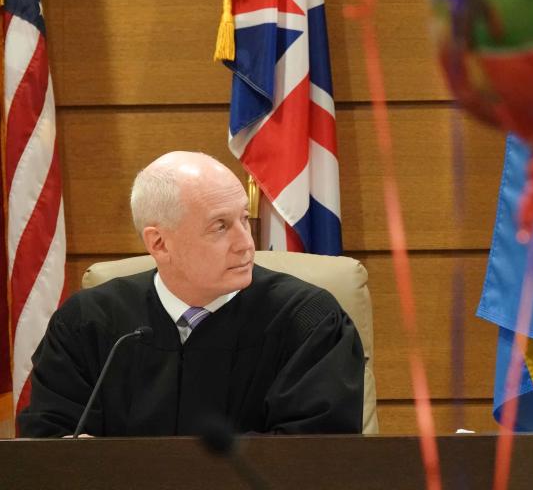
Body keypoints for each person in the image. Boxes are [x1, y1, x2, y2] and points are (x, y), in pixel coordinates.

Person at [18, 151, 364, 437]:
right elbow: (50, 447)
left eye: (245, 219)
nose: (246, 243)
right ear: (159, 243)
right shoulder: (88, 323)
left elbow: (315, 458)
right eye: (220, 226)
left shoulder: (308, 321)